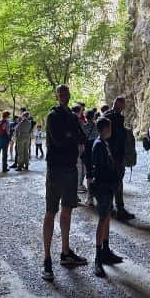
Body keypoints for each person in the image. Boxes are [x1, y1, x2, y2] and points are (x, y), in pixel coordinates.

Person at [41, 84, 89, 280]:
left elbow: (82, 137)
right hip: (56, 168)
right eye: (61, 93)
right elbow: (60, 139)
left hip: (70, 168)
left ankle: (65, 251)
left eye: (67, 93)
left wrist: (71, 136)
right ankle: (46, 259)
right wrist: (72, 137)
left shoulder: (71, 116)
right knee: (51, 212)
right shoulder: (53, 116)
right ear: (57, 96)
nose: (64, 96)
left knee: (67, 210)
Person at [90, 116, 124, 277]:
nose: (111, 131)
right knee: (103, 219)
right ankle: (98, 257)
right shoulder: (99, 145)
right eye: (109, 128)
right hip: (103, 187)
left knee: (107, 217)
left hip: (108, 186)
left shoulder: (104, 143)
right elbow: (100, 169)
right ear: (104, 129)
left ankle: (105, 249)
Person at [106, 96, 135, 220]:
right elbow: (115, 137)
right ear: (119, 104)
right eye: (123, 104)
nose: (125, 107)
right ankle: (118, 208)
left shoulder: (107, 115)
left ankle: (112, 207)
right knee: (116, 182)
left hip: (114, 154)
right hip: (115, 154)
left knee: (115, 181)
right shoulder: (114, 117)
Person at [81, 110, 99, 206]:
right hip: (97, 150)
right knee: (97, 173)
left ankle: (90, 197)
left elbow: (81, 139)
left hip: (87, 151)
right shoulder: (97, 126)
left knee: (89, 175)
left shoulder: (83, 127)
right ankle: (99, 196)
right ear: (93, 117)